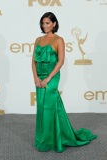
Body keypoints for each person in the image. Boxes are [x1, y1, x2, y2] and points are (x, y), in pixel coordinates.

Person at [32, 12, 97, 153]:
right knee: (42, 107)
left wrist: (48, 78)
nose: (45, 26)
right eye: (43, 23)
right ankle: (44, 138)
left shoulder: (59, 40)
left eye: (47, 23)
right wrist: (36, 78)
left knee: (49, 106)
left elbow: (60, 62)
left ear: (54, 24)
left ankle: (52, 140)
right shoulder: (38, 39)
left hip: (52, 77)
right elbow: (33, 62)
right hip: (39, 77)